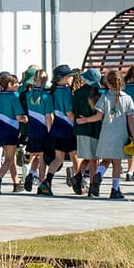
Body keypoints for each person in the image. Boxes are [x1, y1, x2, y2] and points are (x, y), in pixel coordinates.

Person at [91, 71, 134, 201]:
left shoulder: (105, 97)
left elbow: (98, 116)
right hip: (121, 134)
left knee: (106, 159)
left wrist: (85, 120)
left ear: (108, 83)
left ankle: (98, 175)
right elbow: (131, 120)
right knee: (117, 163)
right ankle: (115, 189)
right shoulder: (127, 99)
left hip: (106, 133)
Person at [0, 72, 24, 194]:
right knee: (9, 159)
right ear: (9, 85)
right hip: (11, 131)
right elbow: (19, 116)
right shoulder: (14, 97)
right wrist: (26, 119)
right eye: (16, 83)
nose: (18, 85)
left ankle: (16, 183)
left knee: (9, 157)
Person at [69, 68, 102, 195]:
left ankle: (77, 176)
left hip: (80, 129)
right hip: (94, 129)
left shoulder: (77, 93)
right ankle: (93, 188)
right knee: (94, 160)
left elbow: (73, 110)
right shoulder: (99, 93)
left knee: (87, 158)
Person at [18, 67, 51, 194]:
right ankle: (42, 182)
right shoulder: (46, 96)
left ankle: (31, 173)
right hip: (43, 130)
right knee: (42, 158)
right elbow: (48, 116)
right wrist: (50, 131)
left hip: (32, 129)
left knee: (34, 155)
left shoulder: (28, 95)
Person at [47, 66, 78, 194]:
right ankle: (78, 181)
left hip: (57, 127)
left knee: (58, 158)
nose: (72, 78)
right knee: (75, 156)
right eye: (70, 76)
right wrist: (77, 122)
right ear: (64, 78)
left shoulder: (53, 92)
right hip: (68, 128)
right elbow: (69, 112)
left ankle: (47, 181)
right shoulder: (66, 92)